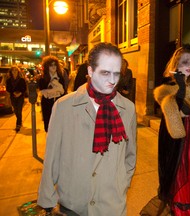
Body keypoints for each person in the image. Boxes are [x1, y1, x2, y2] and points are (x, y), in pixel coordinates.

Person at [37, 42, 137, 216]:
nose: (112, 80)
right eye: (105, 73)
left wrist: (121, 183)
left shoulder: (128, 108)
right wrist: (47, 200)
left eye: (116, 73)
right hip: (73, 203)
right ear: (90, 71)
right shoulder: (64, 106)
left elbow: (130, 155)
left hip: (112, 205)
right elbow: (52, 157)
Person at [153, 44, 190, 215]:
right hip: (178, 141)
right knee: (180, 176)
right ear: (176, 65)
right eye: (184, 62)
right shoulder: (167, 88)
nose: (188, 66)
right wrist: (181, 88)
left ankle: (177, 202)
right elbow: (179, 112)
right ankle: (181, 208)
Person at [38, 56, 65, 132]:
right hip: (47, 104)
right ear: (47, 67)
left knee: (59, 126)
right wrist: (57, 90)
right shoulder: (42, 78)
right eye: (51, 65)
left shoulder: (60, 77)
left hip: (59, 103)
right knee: (48, 126)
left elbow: (62, 91)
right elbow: (44, 93)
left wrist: (51, 91)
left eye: (55, 65)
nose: (53, 67)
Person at [6, 65, 27, 132]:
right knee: (15, 110)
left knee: (19, 110)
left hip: (20, 96)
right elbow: (8, 88)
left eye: (16, 70)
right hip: (13, 96)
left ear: (18, 72)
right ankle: (20, 120)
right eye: (13, 70)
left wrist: (20, 93)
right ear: (11, 72)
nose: (14, 72)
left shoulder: (21, 80)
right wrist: (13, 93)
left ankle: (18, 124)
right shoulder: (9, 80)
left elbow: (24, 88)